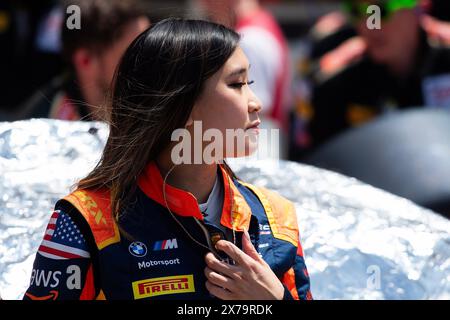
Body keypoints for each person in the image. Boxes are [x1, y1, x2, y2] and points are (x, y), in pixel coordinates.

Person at [23, 18, 312, 300]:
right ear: (182, 105)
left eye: (249, 82)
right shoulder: (86, 221)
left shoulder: (276, 218)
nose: (255, 101)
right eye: (237, 84)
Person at [292, 0, 450, 155]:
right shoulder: (335, 83)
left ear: (420, 5)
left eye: (380, 10)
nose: (370, 25)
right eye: (357, 11)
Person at [17, 0, 150, 121]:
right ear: (85, 61)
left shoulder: (151, 108)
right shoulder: (45, 134)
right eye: (134, 54)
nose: (152, 62)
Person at [197, 0, 292, 136]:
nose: (202, 3)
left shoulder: (249, 39)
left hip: (253, 148)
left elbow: (255, 112)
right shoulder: (261, 24)